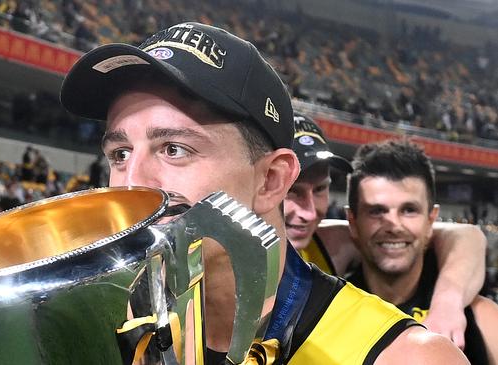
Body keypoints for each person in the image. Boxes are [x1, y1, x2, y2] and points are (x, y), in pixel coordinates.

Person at [60, 22, 467, 364]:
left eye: (174, 149)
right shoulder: (103, 324)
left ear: (272, 180)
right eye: (120, 153)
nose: (132, 184)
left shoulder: (404, 357)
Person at [286, 114, 487, 348]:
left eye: (320, 189)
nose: (309, 212)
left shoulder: (323, 244)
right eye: (292, 190)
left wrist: (447, 302)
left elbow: (464, 236)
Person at [346, 139, 498, 364]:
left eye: (409, 210)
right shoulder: (325, 311)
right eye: (377, 211)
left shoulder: (480, 317)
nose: (393, 225)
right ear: (352, 222)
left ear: (431, 221)